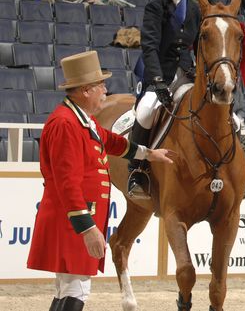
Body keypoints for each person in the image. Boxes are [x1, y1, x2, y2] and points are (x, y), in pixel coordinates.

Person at [27, 51, 175, 311]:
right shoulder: (65, 124)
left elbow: (112, 141)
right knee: (76, 290)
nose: (105, 90)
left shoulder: (82, 120)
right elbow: (66, 182)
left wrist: (148, 153)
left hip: (73, 219)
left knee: (67, 289)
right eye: (100, 86)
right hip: (72, 221)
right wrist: (87, 228)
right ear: (85, 91)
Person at [127, 0, 201, 199]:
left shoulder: (195, 10)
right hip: (160, 73)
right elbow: (149, 46)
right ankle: (137, 170)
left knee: (228, 115)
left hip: (188, 73)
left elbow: (201, 46)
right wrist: (157, 81)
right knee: (146, 111)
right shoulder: (155, 8)